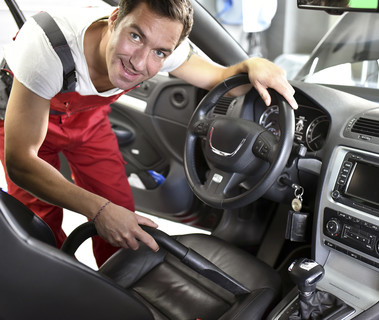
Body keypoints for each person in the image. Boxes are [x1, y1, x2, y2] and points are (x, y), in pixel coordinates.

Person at [0, 0, 297, 267]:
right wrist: (98, 210)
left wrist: (252, 65)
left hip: (88, 120)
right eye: (135, 36)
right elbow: (20, 161)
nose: (140, 62)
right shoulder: (48, 47)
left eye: (159, 52)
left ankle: (118, 289)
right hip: (25, 116)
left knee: (122, 218)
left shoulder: (165, 42)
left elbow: (220, 78)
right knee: (39, 227)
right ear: (114, 19)